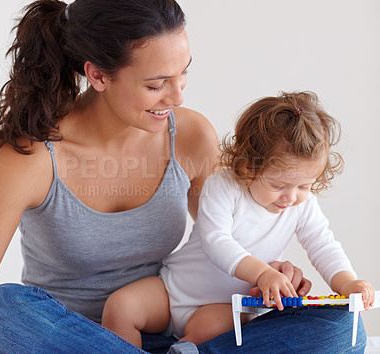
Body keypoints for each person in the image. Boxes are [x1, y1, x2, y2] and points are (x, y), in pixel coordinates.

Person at [0, 0, 367, 352]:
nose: (178, 96)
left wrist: (268, 267)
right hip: (63, 337)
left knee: (339, 326)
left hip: (174, 324)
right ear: (97, 75)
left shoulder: (191, 136)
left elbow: (222, 232)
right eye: (155, 84)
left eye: (183, 74)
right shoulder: (29, 158)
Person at [101, 91, 374, 349]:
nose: (291, 197)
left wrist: (346, 283)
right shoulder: (224, 186)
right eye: (279, 185)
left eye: (304, 186)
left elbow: (323, 245)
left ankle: (183, 349)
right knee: (120, 306)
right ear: (247, 166)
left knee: (211, 333)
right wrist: (263, 273)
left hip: (222, 306)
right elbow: (216, 241)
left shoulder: (303, 207)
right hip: (172, 289)